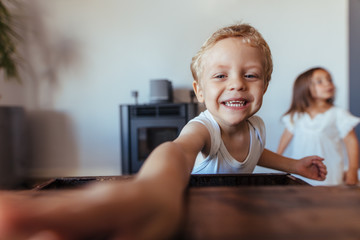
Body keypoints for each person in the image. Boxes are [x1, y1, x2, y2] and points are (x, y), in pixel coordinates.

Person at [0, 23, 327, 240]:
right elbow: (178, 150)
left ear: (266, 85)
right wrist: (153, 188)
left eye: (251, 75)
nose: (237, 83)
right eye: (220, 76)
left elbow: (257, 153)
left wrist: (294, 165)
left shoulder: (257, 127)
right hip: (190, 214)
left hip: (234, 214)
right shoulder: (204, 129)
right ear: (199, 91)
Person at [277, 67, 359, 186]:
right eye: (320, 81)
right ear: (304, 88)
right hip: (300, 174)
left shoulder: (338, 114)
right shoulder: (296, 115)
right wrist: (277, 162)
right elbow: (285, 139)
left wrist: (352, 170)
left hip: (330, 174)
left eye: (329, 80)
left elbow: (351, 142)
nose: (328, 84)